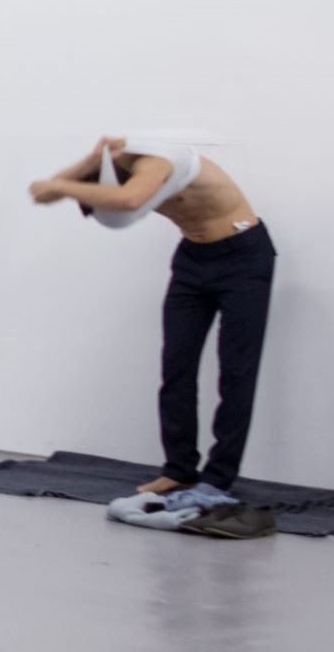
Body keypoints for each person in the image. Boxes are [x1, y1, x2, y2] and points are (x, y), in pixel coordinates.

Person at [30, 135, 275, 497]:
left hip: (243, 257)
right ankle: (179, 471)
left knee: (237, 371)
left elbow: (128, 198)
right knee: (176, 366)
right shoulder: (110, 163)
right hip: (193, 259)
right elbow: (44, 193)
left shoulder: (157, 161)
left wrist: (59, 185)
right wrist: (85, 164)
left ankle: (218, 478)